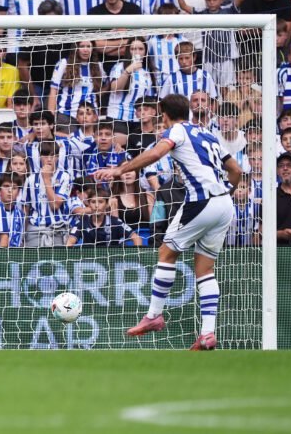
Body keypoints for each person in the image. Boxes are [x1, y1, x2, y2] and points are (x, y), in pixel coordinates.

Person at [95, 94, 243, 351]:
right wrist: (226, 193)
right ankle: (208, 333)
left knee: (166, 251)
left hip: (202, 202)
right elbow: (237, 171)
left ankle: (154, 315)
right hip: (224, 205)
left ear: (164, 114)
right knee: (205, 269)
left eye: (159, 114)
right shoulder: (207, 133)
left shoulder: (177, 130)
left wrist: (119, 170)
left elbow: (156, 152)